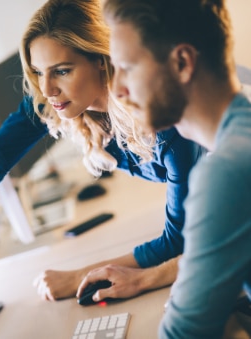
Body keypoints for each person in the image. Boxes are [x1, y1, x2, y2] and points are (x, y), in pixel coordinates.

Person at [0, 0, 203, 304]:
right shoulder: (59, 101)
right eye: (38, 72)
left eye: (62, 70)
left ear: (102, 60)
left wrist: (80, 276)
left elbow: (179, 242)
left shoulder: (162, 117)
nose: (47, 89)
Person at [102, 0, 251, 337]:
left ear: (183, 63)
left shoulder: (226, 172)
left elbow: (182, 334)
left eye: (128, 67)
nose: (117, 89)